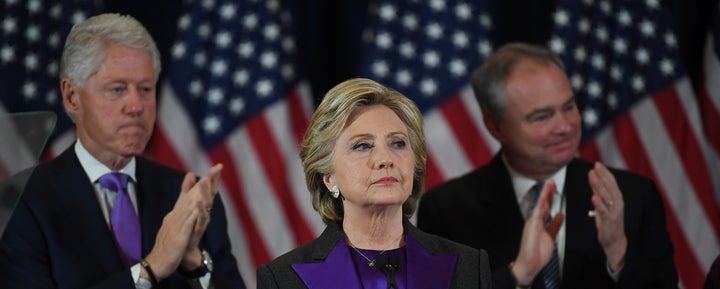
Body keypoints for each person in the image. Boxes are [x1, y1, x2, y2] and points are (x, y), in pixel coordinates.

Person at [0, 14, 246, 289]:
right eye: (117, 89)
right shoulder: (22, 201)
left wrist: (195, 262)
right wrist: (148, 271)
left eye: (145, 89)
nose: (136, 106)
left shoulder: (188, 196)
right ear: (71, 97)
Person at [417, 43, 678, 289]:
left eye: (569, 107)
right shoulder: (447, 210)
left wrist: (618, 252)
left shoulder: (633, 196)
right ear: (495, 126)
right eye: (542, 117)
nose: (565, 127)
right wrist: (518, 273)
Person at [256, 78, 491, 289]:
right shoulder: (282, 279)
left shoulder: (469, 266)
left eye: (398, 143)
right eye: (362, 146)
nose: (385, 159)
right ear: (329, 177)